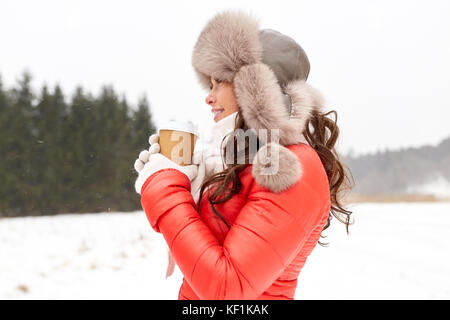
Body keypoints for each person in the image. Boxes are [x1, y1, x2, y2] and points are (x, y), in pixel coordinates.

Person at [134, 10, 352, 300]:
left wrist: (161, 185)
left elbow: (226, 288)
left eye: (218, 83)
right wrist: (191, 179)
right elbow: (206, 251)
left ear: (254, 88)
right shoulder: (247, 158)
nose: (208, 97)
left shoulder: (295, 167)